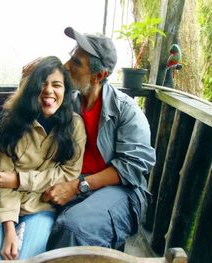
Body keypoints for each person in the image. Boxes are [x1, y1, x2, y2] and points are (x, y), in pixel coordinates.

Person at [43, 27, 156, 251]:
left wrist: (77, 187)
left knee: (73, 228)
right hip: (75, 180)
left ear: (100, 75)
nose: (66, 66)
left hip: (123, 190)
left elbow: (131, 167)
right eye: (70, 57)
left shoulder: (126, 111)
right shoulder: (68, 103)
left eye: (76, 62)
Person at [0, 56, 86, 261]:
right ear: (31, 89)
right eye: (42, 84)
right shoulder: (11, 123)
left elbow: (69, 174)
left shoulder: (75, 126)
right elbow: (0, 181)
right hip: (3, 201)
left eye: (56, 85)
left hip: (42, 204)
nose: (49, 91)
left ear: (65, 91)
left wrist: (18, 179)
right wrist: (9, 230)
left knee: (29, 260)